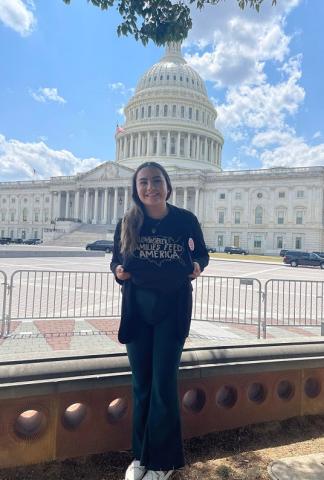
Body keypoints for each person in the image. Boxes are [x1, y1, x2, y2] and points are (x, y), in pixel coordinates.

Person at [110, 161, 209, 480]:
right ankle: (141, 457)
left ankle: (163, 462)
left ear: (168, 186)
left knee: (163, 384)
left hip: (173, 306)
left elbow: (202, 255)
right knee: (141, 385)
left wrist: (196, 265)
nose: (150, 187)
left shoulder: (185, 220)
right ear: (135, 189)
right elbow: (116, 260)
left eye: (156, 181)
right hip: (137, 307)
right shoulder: (128, 221)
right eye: (143, 182)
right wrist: (118, 272)